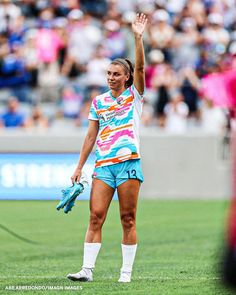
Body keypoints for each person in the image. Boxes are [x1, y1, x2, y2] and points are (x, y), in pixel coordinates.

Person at [67, 13, 147, 283]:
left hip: (128, 162)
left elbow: (142, 70)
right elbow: (90, 136)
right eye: (108, 73)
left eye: (116, 74)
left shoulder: (134, 96)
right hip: (103, 166)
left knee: (128, 218)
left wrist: (137, 38)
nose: (111, 77)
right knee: (95, 216)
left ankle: (126, 273)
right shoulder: (98, 101)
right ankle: (87, 270)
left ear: (127, 78)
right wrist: (79, 167)